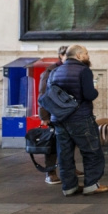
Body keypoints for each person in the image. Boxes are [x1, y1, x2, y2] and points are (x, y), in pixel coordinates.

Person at [48, 44, 108, 196]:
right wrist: (95, 90)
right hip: (80, 117)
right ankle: (92, 185)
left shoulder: (55, 71)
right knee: (91, 151)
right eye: (86, 53)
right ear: (78, 55)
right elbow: (89, 95)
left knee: (64, 153)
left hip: (59, 118)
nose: (88, 56)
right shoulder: (84, 70)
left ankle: (69, 187)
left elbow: (50, 94)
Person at [36, 45, 68, 185]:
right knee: (52, 144)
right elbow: (43, 95)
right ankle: (50, 173)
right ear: (61, 56)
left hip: (67, 113)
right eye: (67, 55)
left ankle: (70, 169)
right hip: (54, 113)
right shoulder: (50, 71)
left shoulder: (71, 69)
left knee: (68, 144)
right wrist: (44, 117)